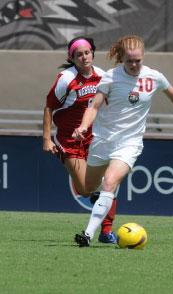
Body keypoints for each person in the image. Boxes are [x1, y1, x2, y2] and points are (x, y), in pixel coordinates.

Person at [74, 35, 173, 247]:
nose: (134, 65)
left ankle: (88, 234)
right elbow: (94, 107)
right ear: (122, 58)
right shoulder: (111, 77)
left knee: (110, 182)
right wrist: (84, 126)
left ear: (143, 57)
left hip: (129, 143)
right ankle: (100, 198)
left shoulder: (154, 77)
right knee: (86, 188)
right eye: (129, 61)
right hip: (103, 140)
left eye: (138, 60)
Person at [42, 36, 117, 244]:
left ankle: (106, 231)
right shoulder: (66, 78)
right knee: (85, 189)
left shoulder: (103, 76)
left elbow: (109, 105)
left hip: (95, 138)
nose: (84, 57)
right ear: (72, 58)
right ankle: (97, 203)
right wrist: (47, 139)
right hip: (69, 140)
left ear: (92, 53)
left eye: (87, 53)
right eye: (79, 54)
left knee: (108, 182)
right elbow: (49, 106)